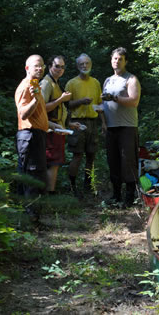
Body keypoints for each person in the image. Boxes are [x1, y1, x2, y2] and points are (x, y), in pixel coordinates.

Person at [101, 47, 141, 207]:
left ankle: (130, 197)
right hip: (111, 127)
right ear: (111, 60)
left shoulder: (131, 79)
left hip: (127, 127)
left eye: (120, 59)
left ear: (126, 61)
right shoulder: (108, 80)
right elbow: (103, 103)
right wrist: (103, 122)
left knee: (127, 161)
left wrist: (115, 98)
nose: (116, 61)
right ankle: (116, 195)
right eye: (114, 59)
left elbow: (134, 101)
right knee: (113, 161)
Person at [40, 55, 81, 195]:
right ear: (50, 66)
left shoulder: (55, 83)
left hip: (58, 128)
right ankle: (48, 193)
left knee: (55, 162)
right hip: (50, 129)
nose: (60, 69)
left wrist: (68, 123)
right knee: (52, 162)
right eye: (57, 66)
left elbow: (58, 111)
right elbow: (42, 108)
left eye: (62, 67)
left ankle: (49, 192)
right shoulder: (46, 83)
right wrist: (61, 99)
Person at [15, 54, 49, 220]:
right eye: (36, 66)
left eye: (42, 65)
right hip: (29, 136)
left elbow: (38, 115)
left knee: (34, 176)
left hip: (36, 135)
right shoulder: (26, 86)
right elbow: (23, 114)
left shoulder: (35, 86)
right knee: (32, 178)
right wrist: (35, 99)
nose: (40, 68)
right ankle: (31, 219)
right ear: (27, 68)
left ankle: (31, 218)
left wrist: (52, 126)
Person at [65, 53, 103, 198]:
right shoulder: (71, 83)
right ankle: (72, 186)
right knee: (77, 156)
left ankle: (88, 186)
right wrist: (80, 101)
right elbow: (66, 104)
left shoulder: (96, 82)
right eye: (81, 64)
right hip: (77, 123)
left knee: (91, 156)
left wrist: (104, 123)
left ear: (91, 64)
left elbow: (100, 105)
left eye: (86, 63)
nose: (84, 66)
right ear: (77, 66)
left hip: (93, 122)